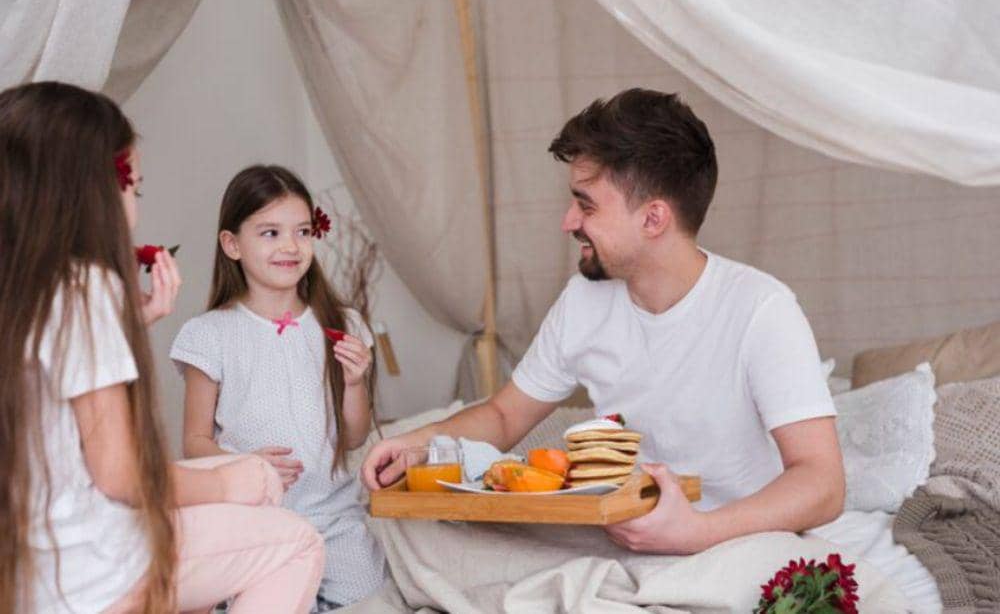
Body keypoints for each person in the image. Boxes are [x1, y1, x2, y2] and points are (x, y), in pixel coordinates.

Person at [362, 88, 845, 555]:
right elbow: (506, 415)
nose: (568, 221)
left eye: (586, 204)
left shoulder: (761, 309)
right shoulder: (584, 300)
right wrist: (419, 443)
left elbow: (822, 482)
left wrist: (696, 532)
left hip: (732, 541)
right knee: (419, 542)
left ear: (653, 219)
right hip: (618, 532)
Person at [0, 81, 324, 614]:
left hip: (26, 570)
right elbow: (119, 471)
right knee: (294, 539)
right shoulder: (85, 287)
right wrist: (227, 480)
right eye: (135, 188)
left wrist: (131, 323)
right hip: (88, 575)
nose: (134, 205)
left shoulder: (25, 285)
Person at [172, 165, 385, 610]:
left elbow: (355, 437)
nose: (290, 246)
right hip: (255, 520)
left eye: (302, 231)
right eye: (270, 233)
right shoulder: (208, 334)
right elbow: (195, 442)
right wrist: (245, 463)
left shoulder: (343, 324)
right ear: (232, 244)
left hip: (335, 519)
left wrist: (353, 383)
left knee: (369, 602)